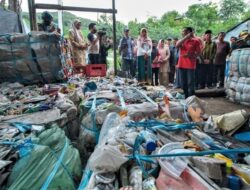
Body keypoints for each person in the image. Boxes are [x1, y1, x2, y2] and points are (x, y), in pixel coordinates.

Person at [176, 27, 202, 98]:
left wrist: (191, 55)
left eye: (184, 31)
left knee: (190, 83)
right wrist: (185, 38)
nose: (182, 32)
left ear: (189, 32)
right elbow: (177, 45)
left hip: (190, 65)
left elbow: (199, 52)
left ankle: (191, 99)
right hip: (181, 65)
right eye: (182, 31)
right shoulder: (182, 40)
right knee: (183, 83)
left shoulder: (196, 41)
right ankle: (186, 97)